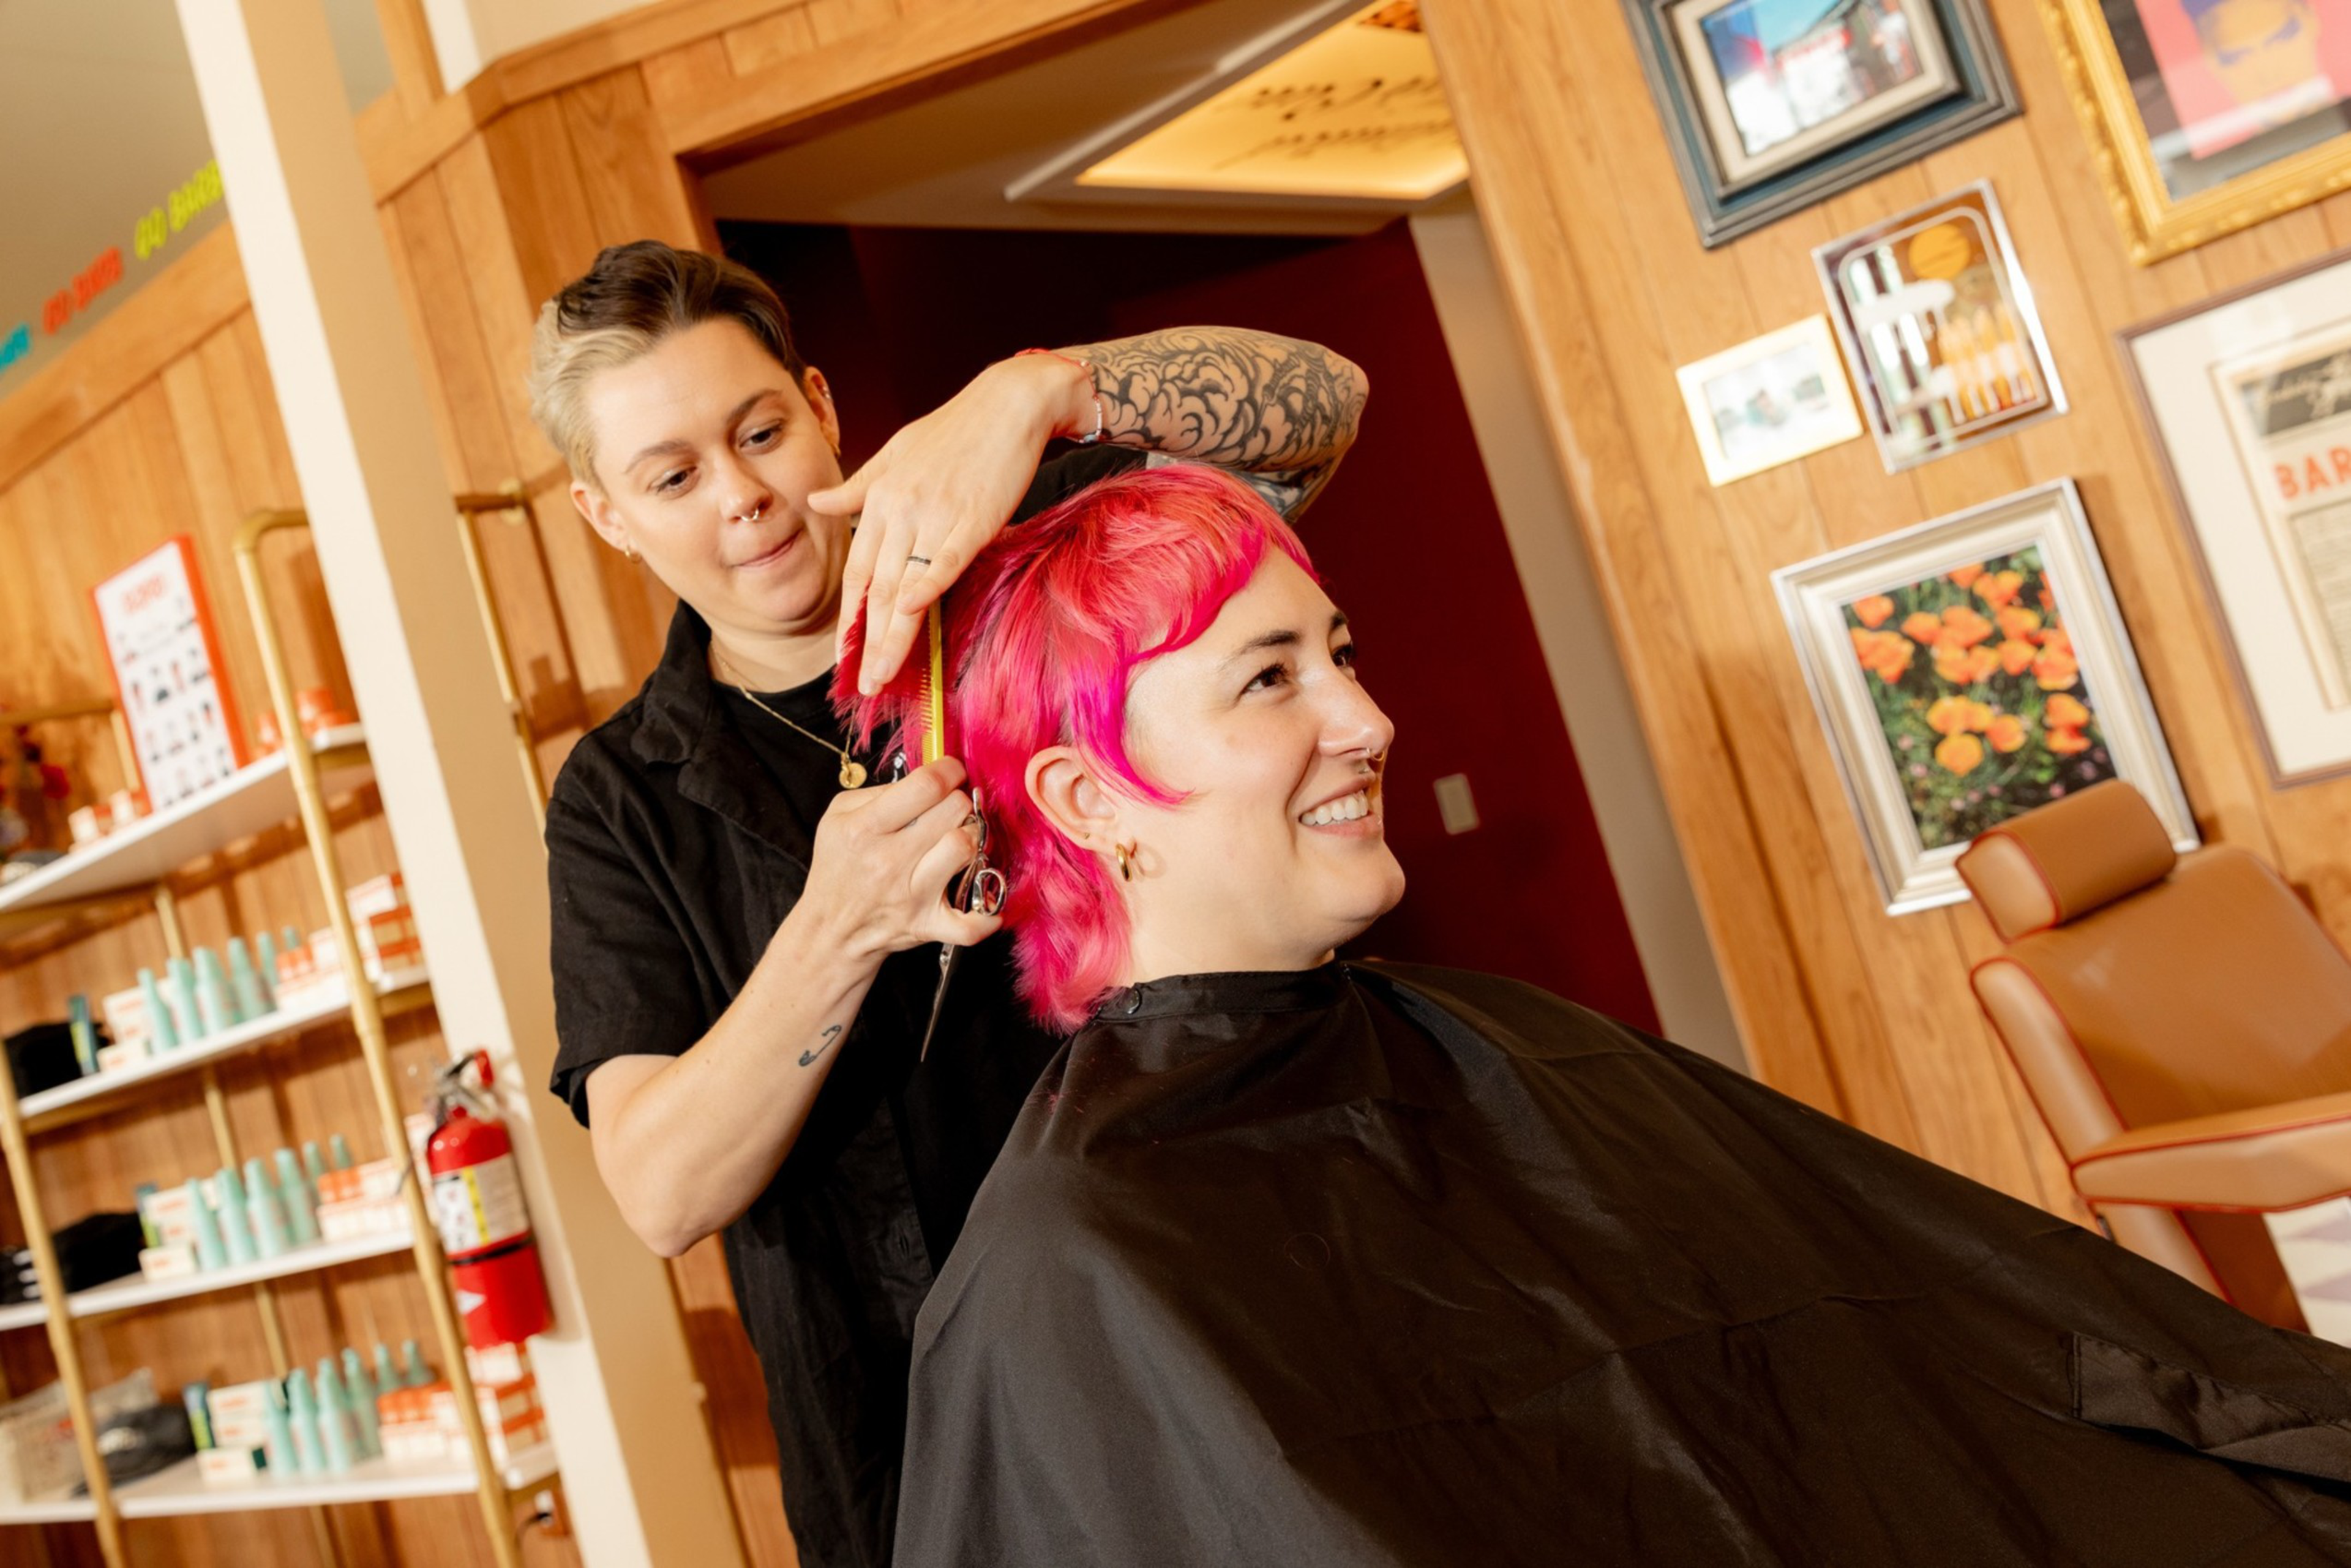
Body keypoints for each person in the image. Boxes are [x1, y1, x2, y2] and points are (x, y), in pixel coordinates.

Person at [859, 465, 2351, 1567]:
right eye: (1269, 677)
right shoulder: (1077, 1262)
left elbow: (1924, 1359)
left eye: (1343, 652)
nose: (1369, 720)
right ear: (1088, 796)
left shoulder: (1501, 1043)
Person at [528, 241, 1367, 1568]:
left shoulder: (1041, 561)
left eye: (761, 431)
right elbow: (661, 1188)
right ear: (605, 515)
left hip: (1226, 1329)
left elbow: (1326, 402)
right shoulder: (621, 797)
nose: (745, 497)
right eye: (673, 476)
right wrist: (838, 923)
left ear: (822, 404)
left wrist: (1044, 394)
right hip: (918, 1458)